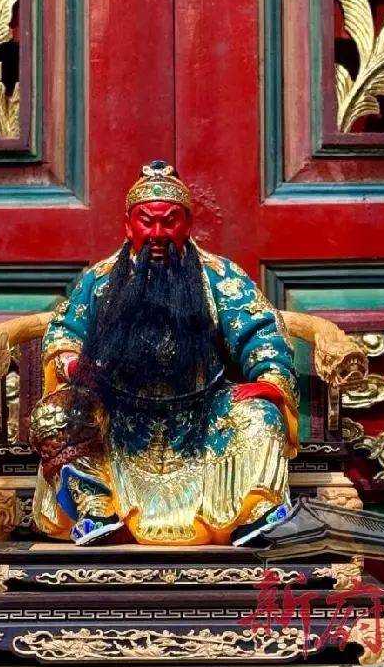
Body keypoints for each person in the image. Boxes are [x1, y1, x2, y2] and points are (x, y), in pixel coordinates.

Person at [29, 162, 299, 547]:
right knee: (55, 415)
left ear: (188, 225)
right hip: (118, 415)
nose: (157, 234)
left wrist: (269, 378)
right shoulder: (100, 280)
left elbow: (259, 329)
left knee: (260, 415)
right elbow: (65, 331)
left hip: (203, 416)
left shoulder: (219, 277)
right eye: (146, 222)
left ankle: (256, 513)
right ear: (128, 226)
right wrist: (72, 363)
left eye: (169, 222)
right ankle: (95, 506)